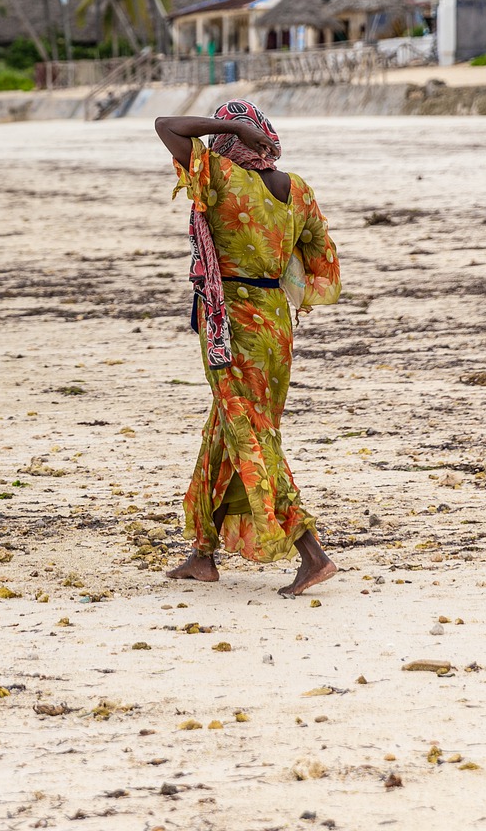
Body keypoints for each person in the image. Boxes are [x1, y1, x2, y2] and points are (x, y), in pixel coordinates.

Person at [155, 101, 342, 598]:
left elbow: (165, 125)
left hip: (230, 318)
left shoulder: (218, 175)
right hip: (275, 322)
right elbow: (322, 258)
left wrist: (226, 125)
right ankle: (203, 553)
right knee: (227, 425)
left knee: (250, 430)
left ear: (233, 139)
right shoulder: (295, 188)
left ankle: (311, 551)